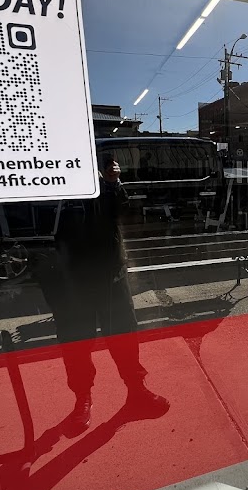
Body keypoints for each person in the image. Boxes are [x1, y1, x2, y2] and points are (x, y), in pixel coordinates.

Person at [35, 158, 168, 434]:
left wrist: (112, 183)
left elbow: (120, 213)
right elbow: (39, 229)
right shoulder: (48, 178)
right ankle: (82, 399)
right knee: (75, 343)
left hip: (110, 274)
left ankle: (136, 389)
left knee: (124, 335)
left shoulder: (95, 177)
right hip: (70, 279)